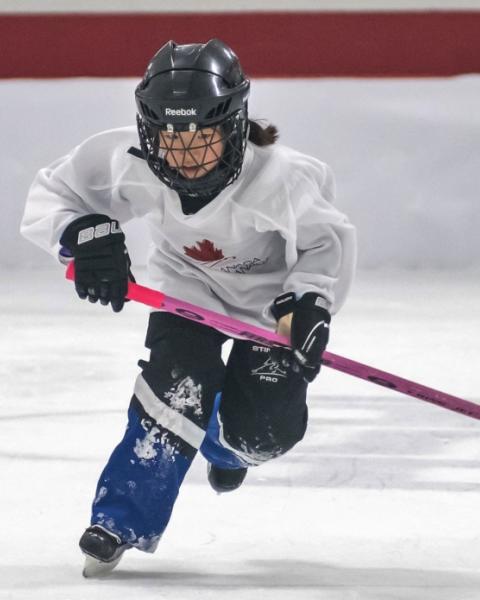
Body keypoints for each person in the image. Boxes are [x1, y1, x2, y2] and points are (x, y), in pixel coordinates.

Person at [21, 39, 356, 576]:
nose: (183, 151)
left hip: (271, 309)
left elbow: (325, 243)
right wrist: (84, 233)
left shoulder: (283, 178)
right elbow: (52, 194)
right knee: (177, 388)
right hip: (187, 290)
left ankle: (225, 451)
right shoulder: (124, 158)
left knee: (261, 434)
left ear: (235, 123)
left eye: (201, 134)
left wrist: (310, 302)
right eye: (169, 135)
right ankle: (120, 518)